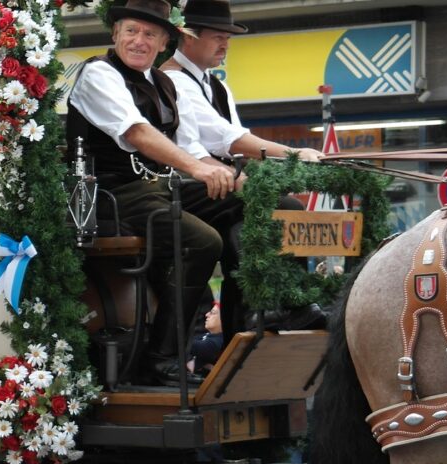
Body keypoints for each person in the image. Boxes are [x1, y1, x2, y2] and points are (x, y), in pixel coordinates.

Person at [67, 0, 238, 386]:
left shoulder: (162, 82)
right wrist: (197, 169)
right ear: (115, 34)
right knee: (202, 240)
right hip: (109, 193)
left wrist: (225, 174)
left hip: (158, 188)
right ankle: (162, 359)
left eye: (149, 34)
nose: (138, 41)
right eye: (131, 31)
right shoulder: (99, 73)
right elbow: (135, 132)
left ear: (164, 43)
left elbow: (189, 147)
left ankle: (247, 326)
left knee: (240, 204)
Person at [158, 0, 326, 335]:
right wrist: (293, 154)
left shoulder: (216, 85)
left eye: (228, 38)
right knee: (281, 206)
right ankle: (277, 305)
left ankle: (256, 315)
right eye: (218, 36)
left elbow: (232, 144)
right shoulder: (172, 80)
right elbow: (226, 139)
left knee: (258, 220)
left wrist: (271, 168)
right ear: (187, 36)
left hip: (216, 183)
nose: (225, 45)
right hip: (182, 187)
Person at [189, 302, 224, 374]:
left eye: (212, 313)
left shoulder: (219, 342)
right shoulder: (207, 335)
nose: (207, 314)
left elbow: (187, 345)